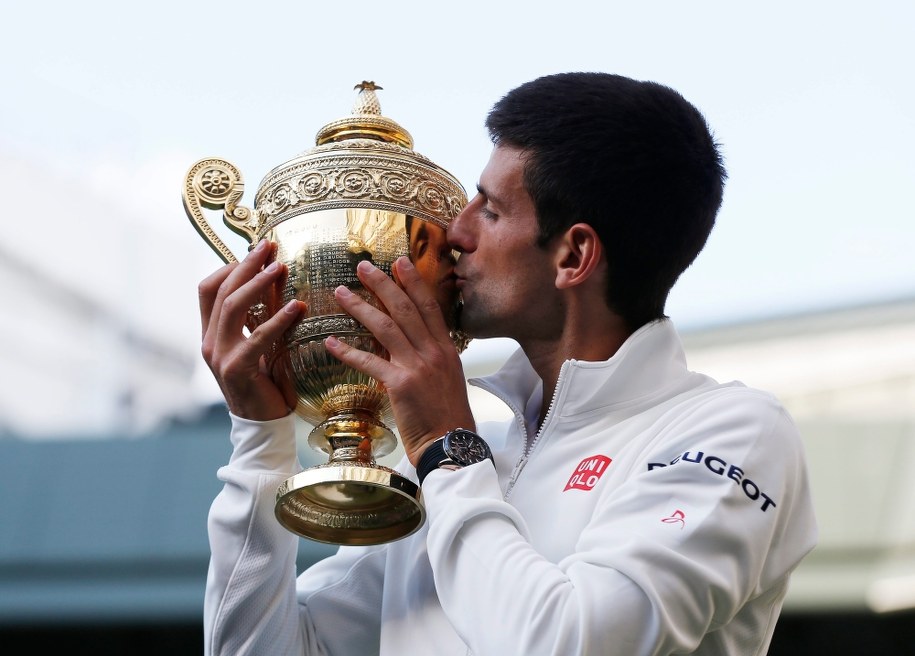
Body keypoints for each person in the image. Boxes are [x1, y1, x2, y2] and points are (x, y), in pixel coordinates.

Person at [199, 72, 817, 655]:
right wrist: (259, 438)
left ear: (573, 255)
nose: (453, 231)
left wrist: (447, 448)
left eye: (489, 210)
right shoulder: (465, 468)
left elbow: (567, 642)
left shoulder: (732, 431)